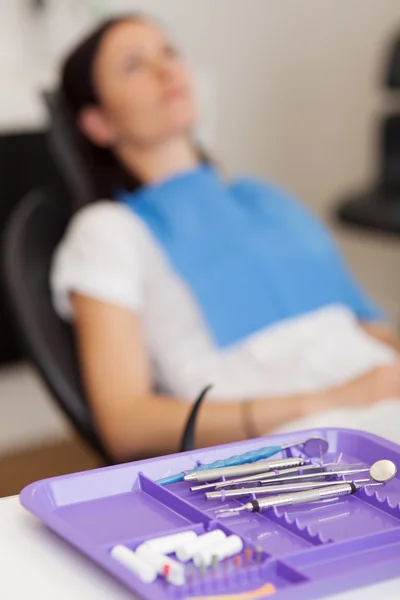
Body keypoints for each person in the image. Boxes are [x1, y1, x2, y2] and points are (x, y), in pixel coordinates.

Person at [52, 14, 400, 462]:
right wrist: (335, 400)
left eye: (169, 52)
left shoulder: (264, 199)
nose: (166, 70)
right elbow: (125, 425)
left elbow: (368, 326)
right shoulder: (108, 230)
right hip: (308, 437)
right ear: (98, 123)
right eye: (133, 65)